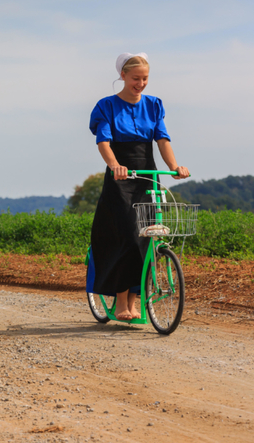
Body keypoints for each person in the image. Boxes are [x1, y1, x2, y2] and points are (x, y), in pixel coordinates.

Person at [87, 53, 190, 320]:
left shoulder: (154, 105)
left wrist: (175, 166)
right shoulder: (107, 106)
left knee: (146, 236)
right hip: (121, 177)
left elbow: (162, 139)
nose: (141, 83)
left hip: (146, 174)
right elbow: (104, 141)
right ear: (123, 76)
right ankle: (122, 303)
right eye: (136, 78)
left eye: (145, 78)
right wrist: (114, 165)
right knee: (128, 235)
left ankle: (134, 302)